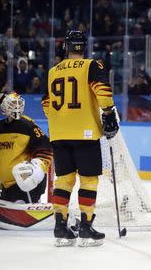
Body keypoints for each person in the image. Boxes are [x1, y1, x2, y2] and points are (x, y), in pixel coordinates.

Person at [43, 30, 119, 247]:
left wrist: (59, 121)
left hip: (59, 134)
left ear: (66, 47)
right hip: (85, 132)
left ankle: (60, 226)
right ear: (84, 47)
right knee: (88, 179)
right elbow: (102, 90)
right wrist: (108, 114)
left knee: (64, 179)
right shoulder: (91, 65)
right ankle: (85, 226)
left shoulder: (52, 71)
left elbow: (46, 103)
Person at [0, 93, 52, 203]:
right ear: (3, 107)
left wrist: (38, 169)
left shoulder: (28, 125)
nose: (16, 107)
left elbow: (45, 148)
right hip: (7, 186)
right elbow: (2, 155)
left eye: (18, 104)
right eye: (12, 104)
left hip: (25, 183)